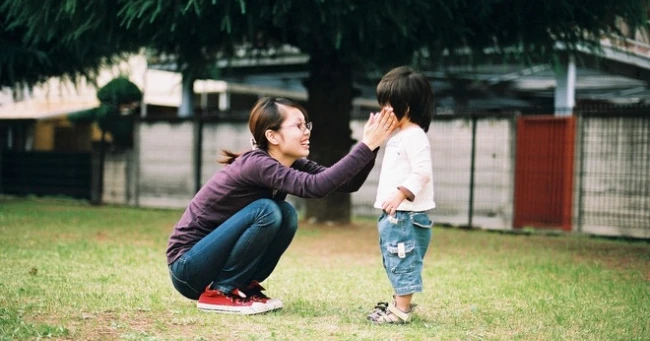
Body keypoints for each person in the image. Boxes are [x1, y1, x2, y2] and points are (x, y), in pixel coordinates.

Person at [167, 96, 397, 315]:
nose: (306, 131)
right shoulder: (256, 164)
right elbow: (316, 187)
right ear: (272, 136)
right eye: (298, 126)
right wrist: (365, 145)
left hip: (209, 264)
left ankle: (243, 285)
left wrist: (373, 146)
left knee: (286, 213)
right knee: (266, 210)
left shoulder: (291, 163)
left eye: (306, 124)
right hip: (188, 268)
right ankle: (220, 291)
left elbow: (347, 183)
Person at [366, 66, 436, 324]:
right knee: (394, 257)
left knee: (402, 257)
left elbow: (422, 172)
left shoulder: (415, 135)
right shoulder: (400, 135)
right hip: (395, 215)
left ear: (405, 106)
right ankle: (398, 303)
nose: (383, 110)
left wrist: (400, 195)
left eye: (387, 104)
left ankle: (401, 310)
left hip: (405, 215)